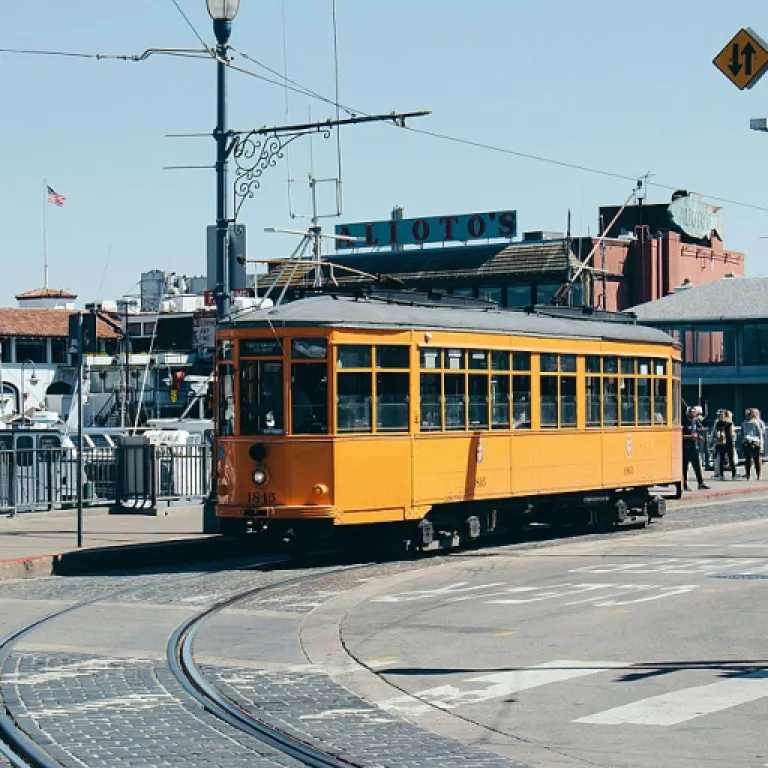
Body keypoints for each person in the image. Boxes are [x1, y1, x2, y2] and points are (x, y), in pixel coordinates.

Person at [682, 406, 710, 491]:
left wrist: (698, 437)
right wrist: (690, 436)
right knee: (684, 467)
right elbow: (680, 436)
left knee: (697, 466)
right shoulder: (684, 422)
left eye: (694, 412)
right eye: (691, 412)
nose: (693, 414)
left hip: (694, 446)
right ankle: (684, 485)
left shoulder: (695, 422)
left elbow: (696, 433)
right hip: (685, 447)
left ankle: (700, 483)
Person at [741, 408, 766, 480]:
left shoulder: (747, 422)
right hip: (755, 441)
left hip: (750, 441)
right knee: (753, 459)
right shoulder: (757, 422)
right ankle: (753, 475)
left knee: (751, 459)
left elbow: (743, 432)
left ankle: (752, 475)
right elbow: (761, 433)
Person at [711, 409, 736, 481]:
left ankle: (721, 475)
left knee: (721, 459)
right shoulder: (729, 423)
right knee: (731, 458)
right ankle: (734, 474)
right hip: (728, 442)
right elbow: (731, 434)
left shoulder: (718, 423)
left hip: (720, 442)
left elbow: (715, 432)